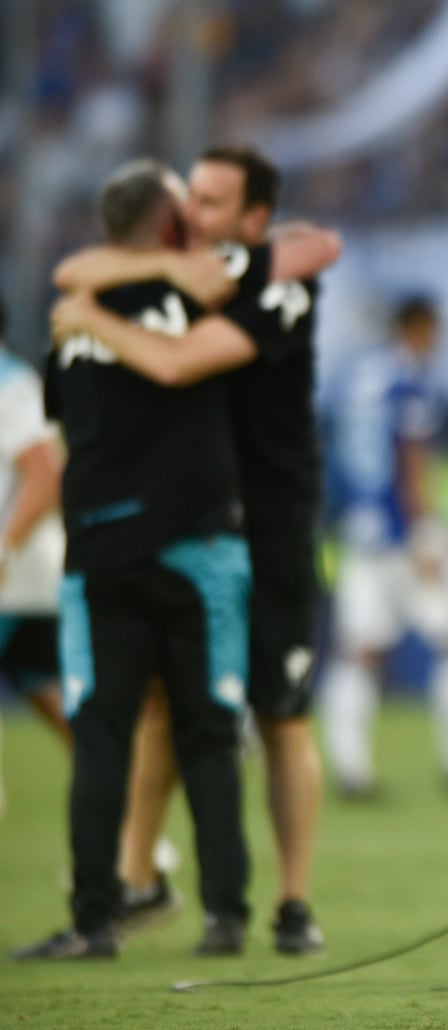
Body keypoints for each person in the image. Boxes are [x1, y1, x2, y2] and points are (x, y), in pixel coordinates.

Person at [49, 144, 342, 954]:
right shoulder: (178, 272)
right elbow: (73, 268)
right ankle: (138, 877)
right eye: (192, 198)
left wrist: (94, 315)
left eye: (213, 202)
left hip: (273, 525)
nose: (194, 214)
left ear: (252, 218)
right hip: (190, 520)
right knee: (155, 710)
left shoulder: (277, 282)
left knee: (279, 717)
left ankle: (291, 901)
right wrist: (160, 277)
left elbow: (183, 357)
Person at [11, 160, 264, 959]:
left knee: (102, 733)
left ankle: (94, 919)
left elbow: (66, 424)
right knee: (209, 731)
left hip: (98, 554)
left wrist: (91, 306)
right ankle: (225, 916)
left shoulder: (74, 320)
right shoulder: (203, 287)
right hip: (199, 546)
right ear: (169, 225)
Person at [321, 294, 448, 798]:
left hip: (360, 528)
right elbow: (412, 457)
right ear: (419, 328)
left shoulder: (356, 379)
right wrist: (423, 533)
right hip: (404, 528)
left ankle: (351, 770)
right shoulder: (410, 380)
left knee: (359, 650)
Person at [0, 291, 72, 816]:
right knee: (46, 691)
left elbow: (45, 475)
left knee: (54, 696)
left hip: (17, 571)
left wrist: (4, 545)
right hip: (22, 573)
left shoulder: (10, 383)